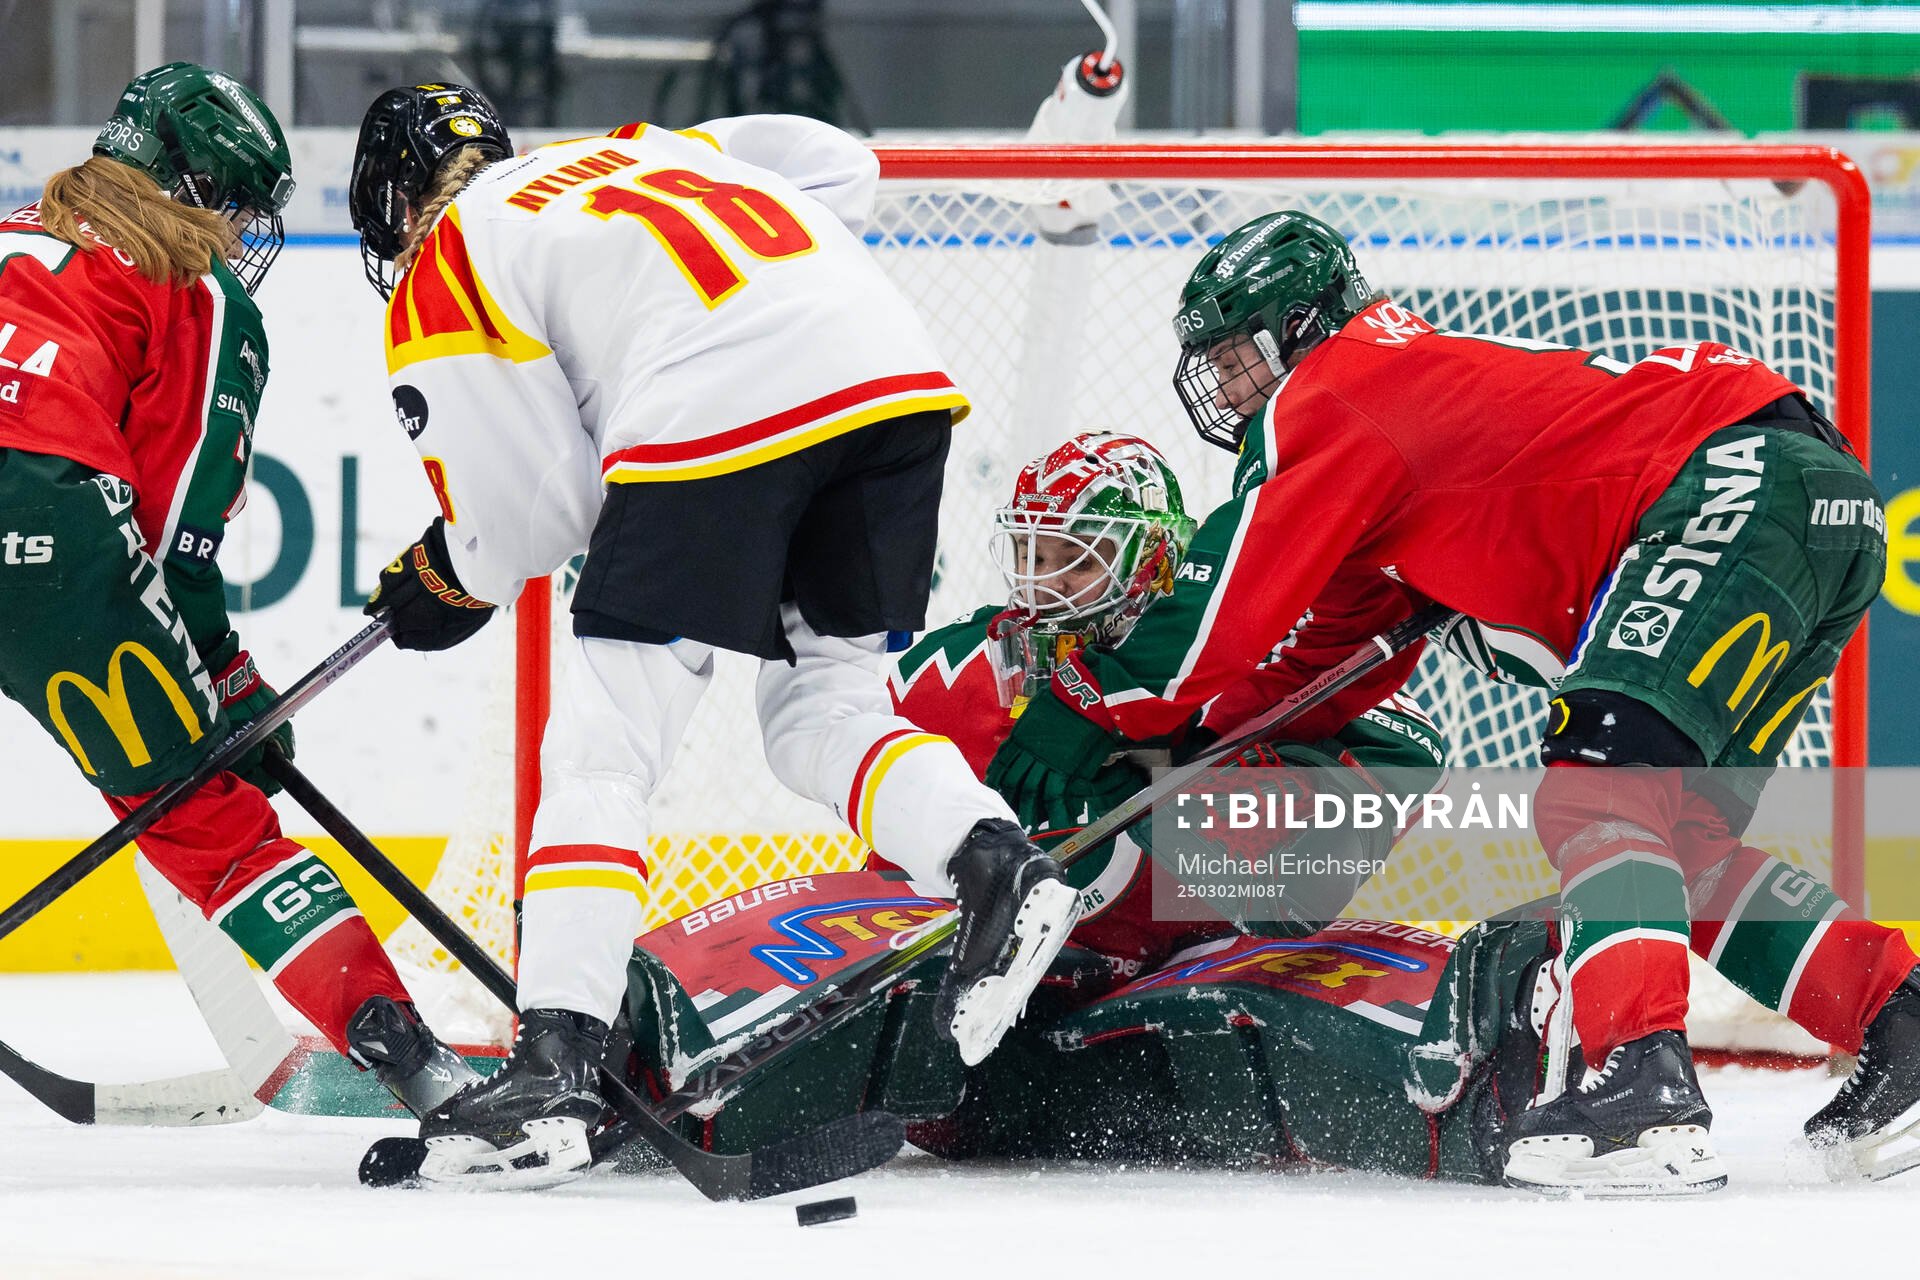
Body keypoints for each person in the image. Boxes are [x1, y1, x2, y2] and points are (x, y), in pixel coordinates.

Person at [985, 209, 1919, 1194]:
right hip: (1813, 504)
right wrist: (1189, 750)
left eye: (1239, 353)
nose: (1227, 385)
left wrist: (1089, 706)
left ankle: (1638, 1091)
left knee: (1602, 801)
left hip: (1731, 481)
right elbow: (1318, 657)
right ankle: (1900, 1017)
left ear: (1300, 326)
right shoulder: (1396, 418)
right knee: (1673, 847)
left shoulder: (1337, 390)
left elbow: (1225, 607)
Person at [347, 84, 1078, 1185]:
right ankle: (997, 861)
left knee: (604, 749)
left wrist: (442, 573)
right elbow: (842, 166)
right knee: (824, 714)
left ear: (394, 198)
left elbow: (534, 517)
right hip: (891, 380)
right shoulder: (633, 150)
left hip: (721, 409)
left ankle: (553, 1067)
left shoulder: (452, 246)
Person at [0, 63, 475, 1117]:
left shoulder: (15, 233)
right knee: (208, 822)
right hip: (33, 516)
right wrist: (228, 685)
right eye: (232, 205)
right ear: (189, 185)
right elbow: (174, 541)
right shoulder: (192, 290)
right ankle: (416, 1063)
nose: (236, 234)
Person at [885, 429, 1447, 965]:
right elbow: (886, 860)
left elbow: (1411, 747)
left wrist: (1260, 794)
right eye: (1033, 555)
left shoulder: (1228, 655)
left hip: (1185, 972)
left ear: (1151, 557)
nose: (1044, 583)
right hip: (1002, 973)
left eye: (1078, 557)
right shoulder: (953, 664)